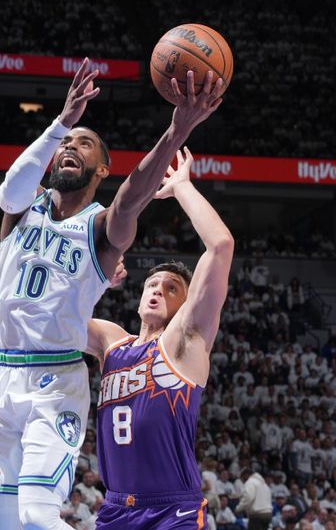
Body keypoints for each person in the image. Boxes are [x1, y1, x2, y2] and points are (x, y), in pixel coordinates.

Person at [0, 61, 225, 530]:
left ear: (102, 167)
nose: (71, 146)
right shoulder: (21, 209)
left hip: (53, 380)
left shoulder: (100, 227)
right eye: (66, 143)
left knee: (35, 517)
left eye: (83, 143)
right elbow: (9, 190)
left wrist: (176, 131)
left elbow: (132, 196)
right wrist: (61, 123)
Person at [85, 147, 234, 528]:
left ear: (187, 304)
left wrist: (181, 186)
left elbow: (220, 246)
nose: (157, 291)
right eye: (151, 285)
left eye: (171, 288)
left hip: (172, 511)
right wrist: (93, 281)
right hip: (116, 508)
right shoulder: (111, 341)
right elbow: (51, 321)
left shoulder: (186, 341)